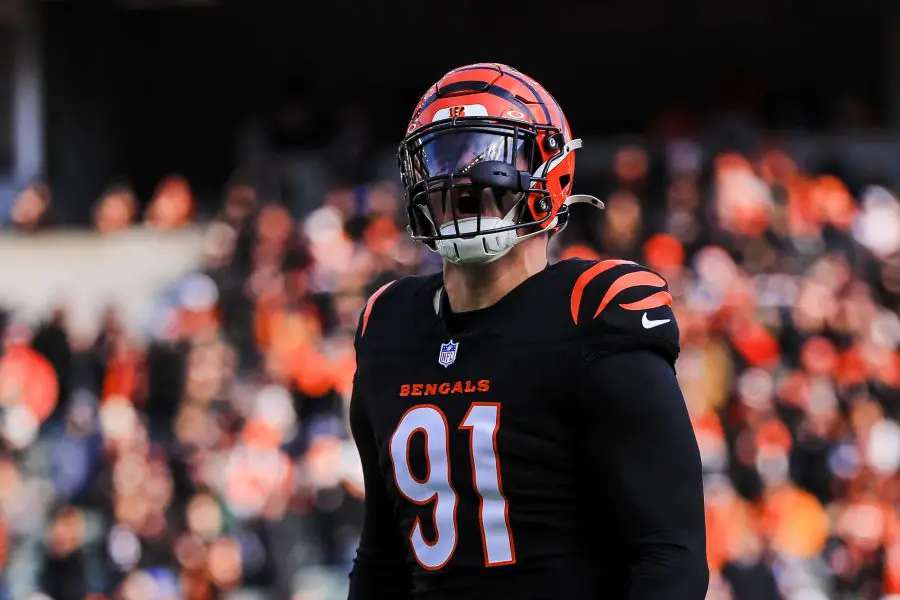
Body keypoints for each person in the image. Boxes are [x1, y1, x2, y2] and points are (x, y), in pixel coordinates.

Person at [347, 63, 708, 599]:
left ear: (551, 172)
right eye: (443, 158)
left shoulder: (593, 312)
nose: (461, 182)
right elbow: (382, 559)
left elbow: (669, 554)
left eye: (488, 157)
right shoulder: (388, 325)